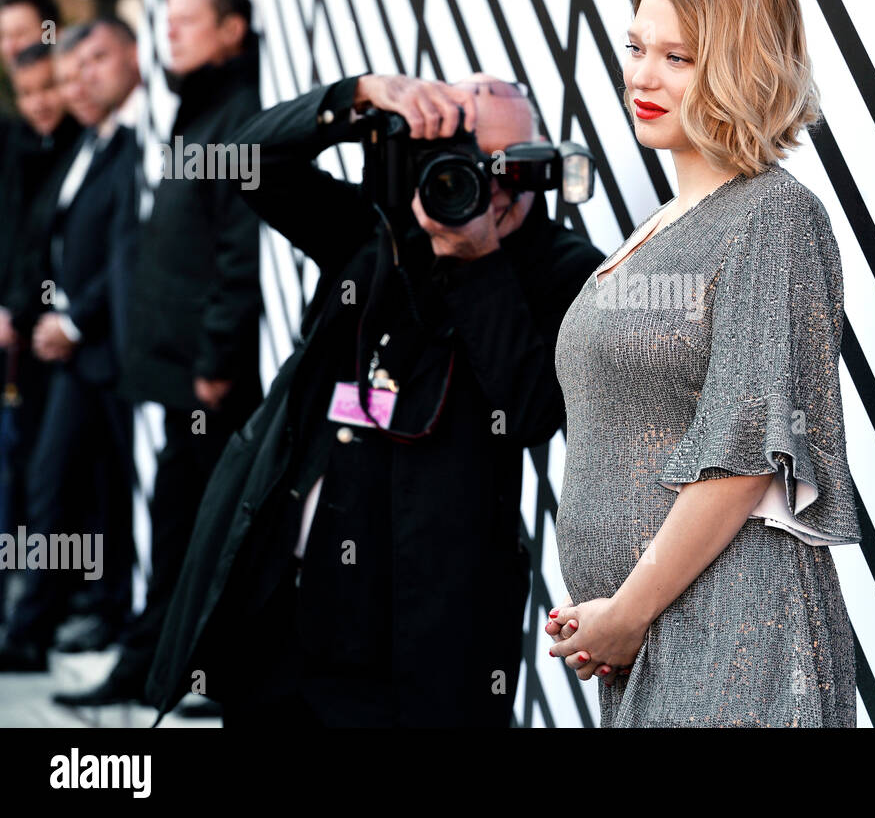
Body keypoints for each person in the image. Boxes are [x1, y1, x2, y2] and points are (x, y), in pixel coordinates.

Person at [145, 71, 605, 726]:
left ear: (540, 164)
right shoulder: (375, 233)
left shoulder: (563, 268)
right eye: (466, 165)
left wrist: (479, 263)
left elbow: (531, 412)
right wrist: (354, 97)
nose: (489, 188)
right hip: (286, 618)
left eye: (511, 168)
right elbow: (247, 162)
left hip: (419, 640)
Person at [546, 0, 862, 727]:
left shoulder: (773, 216)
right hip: (658, 638)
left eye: (677, 56)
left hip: (737, 642)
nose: (642, 76)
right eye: (636, 48)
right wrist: (617, 612)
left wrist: (629, 607)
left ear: (742, 66)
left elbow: (747, 451)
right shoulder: (654, 230)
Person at [54, 0, 264, 708]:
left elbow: (239, 253)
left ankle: (191, 670)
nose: (168, 35)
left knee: (200, 530)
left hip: (206, 380)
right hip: (176, 374)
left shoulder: (237, 114)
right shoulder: (199, 111)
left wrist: (214, 361)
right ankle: (162, 666)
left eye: (185, 22)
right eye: (164, 22)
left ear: (232, 29)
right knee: (177, 526)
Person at [0, 18, 143, 670]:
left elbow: (125, 250)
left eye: (91, 66)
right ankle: (47, 620)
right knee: (59, 481)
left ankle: (60, 620)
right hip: (69, 346)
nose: (75, 85)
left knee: (79, 484)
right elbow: (47, 241)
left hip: (102, 346)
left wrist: (74, 319)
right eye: (69, 73)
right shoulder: (89, 145)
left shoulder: (134, 144)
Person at [0, 41, 82, 625]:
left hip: (65, 338)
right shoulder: (19, 149)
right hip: (22, 335)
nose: (40, 103)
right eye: (27, 94)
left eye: (48, 88)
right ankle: (26, 601)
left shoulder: (87, 147)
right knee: (27, 469)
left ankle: (42, 608)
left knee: (54, 476)